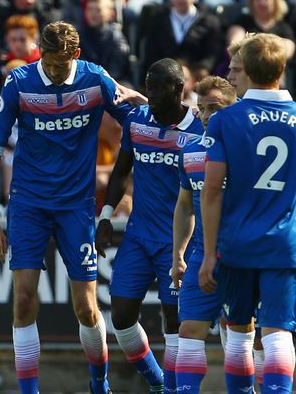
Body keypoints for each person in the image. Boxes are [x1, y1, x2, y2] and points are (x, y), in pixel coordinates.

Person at [0, 21, 140, 394]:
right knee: (23, 300)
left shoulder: (95, 79)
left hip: (76, 206)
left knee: (86, 308)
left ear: (76, 56)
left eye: (61, 65)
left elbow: (135, 125)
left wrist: (148, 102)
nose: (53, 71)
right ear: (39, 52)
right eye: (48, 62)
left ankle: (99, 384)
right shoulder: (19, 82)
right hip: (28, 205)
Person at [198, 33, 296, 394]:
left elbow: (211, 190)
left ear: (248, 71)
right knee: (277, 335)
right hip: (284, 246)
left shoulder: (225, 121)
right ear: (282, 69)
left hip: (237, 245)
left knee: (239, 333)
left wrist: (210, 253)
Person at [95, 58, 204, 394]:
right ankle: (157, 381)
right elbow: (120, 171)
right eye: (148, 86)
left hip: (179, 242)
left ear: (179, 89)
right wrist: (105, 216)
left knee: (174, 323)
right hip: (139, 236)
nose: (151, 94)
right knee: (121, 317)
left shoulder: (199, 128)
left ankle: (172, 389)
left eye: (159, 88)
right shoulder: (137, 121)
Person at [172, 75, 236, 394]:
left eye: (216, 107)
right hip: (201, 255)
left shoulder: (247, 149)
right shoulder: (191, 152)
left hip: (241, 254)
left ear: (233, 107)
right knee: (189, 328)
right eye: (203, 108)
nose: (208, 115)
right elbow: (185, 206)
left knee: (242, 335)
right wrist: (178, 256)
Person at [141, 0, 223, 81]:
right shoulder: (158, 19)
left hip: (197, 81)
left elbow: (211, 55)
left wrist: (195, 73)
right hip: (163, 80)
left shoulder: (209, 22)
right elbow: (151, 52)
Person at [228, 0, 296, 60]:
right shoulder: (241, 22)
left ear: (275, 1)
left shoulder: (284, 28)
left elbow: (287, 52)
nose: (261, 2)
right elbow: (235, 48)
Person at [78, 0, 130, 82]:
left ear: (111, 14)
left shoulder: (116, 38)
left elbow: (116, 71)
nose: (93, 14)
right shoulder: (80, 36)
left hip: (113, 83)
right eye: (89, 9)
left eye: (98, 10)